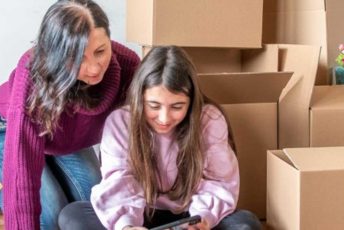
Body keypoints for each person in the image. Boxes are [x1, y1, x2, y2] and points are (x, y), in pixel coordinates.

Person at [0, 0, 140, 229]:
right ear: (56, 54)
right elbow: (23, 177)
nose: (95, 68)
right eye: (78, 58)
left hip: (64, 137)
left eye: (100, 51)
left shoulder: (130, 68)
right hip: (4, 126)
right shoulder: (31, 76)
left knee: (94, 207)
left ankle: (20, 186)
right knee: (51, 215)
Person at [58, 46, 262, 230]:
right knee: (73, 215)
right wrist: (127, 226)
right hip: (141, 214)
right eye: (154, 106)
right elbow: (119, 180)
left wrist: (203, 219)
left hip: (189, 216)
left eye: (177, 107)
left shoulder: (208, 119)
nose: (164, 119)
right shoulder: (121, 121)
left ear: (191, 102)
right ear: (139, 98)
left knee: (245, 223)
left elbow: (218, 181)